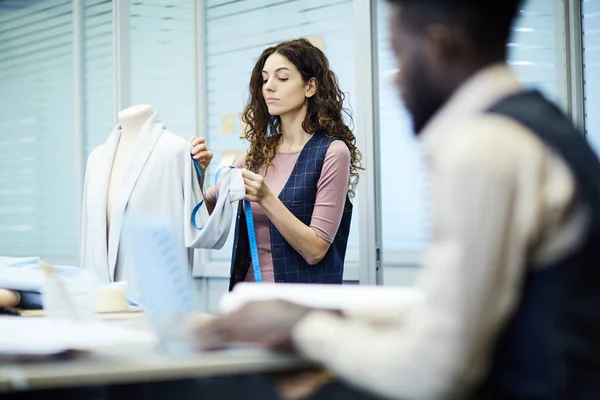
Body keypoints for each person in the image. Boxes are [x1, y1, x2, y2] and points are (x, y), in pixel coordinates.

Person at [193, 0, 600, 399]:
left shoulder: (483, 148)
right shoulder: (541, 129)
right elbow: (470, 311)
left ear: (439, 46)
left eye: (400, 55)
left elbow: (436, 368)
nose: (395, 78)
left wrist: (302, 328)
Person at [191, 38, 362, 289]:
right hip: (249, 296)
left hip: (302, 304)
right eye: (265, 79)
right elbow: (201, 211)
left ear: (310, 87)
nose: (269, 86)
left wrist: (265, 197)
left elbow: (316, 249)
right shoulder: (258, 154)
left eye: (282, 78)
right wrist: (198, 173)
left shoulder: (332, 153)